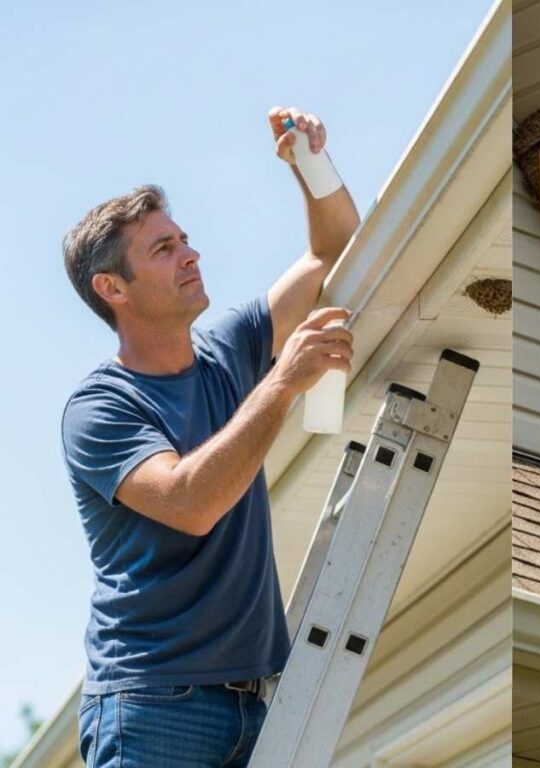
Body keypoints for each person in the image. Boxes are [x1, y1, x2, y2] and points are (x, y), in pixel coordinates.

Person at [62, 107, 360, 766]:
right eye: (164, 249)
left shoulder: (230, 350)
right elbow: (189, 503)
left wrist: (310, 163)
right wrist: (282, 383)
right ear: (112, 287)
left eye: (184, 238)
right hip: (150, 709)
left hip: (255, 707)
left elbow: (331, 251)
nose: (192, 255)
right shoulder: (100, 408)